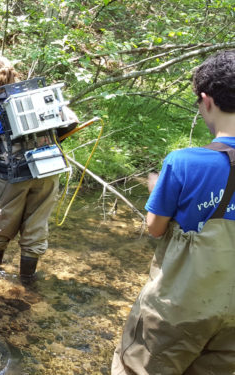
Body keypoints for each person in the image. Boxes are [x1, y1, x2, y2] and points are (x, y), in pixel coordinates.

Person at [112, 50, 235, 374]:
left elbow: (155, 228)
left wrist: (158, 191)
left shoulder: (184, 162)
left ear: (206, 100)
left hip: (179, 309)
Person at [0, 56, 77, 283]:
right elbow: (71, 121)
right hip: (48, 168)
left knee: (2, 225)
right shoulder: (39, 96)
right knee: (36, 226)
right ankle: (27, 282)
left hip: (13, 175)